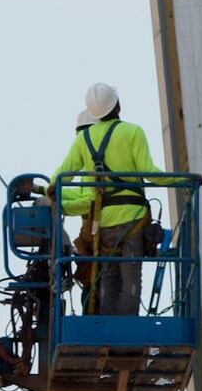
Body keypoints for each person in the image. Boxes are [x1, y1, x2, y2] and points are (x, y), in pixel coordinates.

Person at [55, 84, 161, 315]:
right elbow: (150, 173)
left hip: (103, 224)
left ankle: (106, 325)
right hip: (132, 219)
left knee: (108, 277)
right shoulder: (133, 132)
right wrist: (181, 181)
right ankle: (126, 329)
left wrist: (48, 192)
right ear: (118, 105)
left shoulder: (84, 142)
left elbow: (62, 180)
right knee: (130, 278)